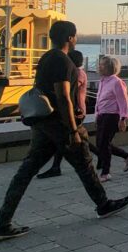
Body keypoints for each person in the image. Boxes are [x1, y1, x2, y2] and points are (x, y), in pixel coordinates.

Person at [0, 21, 128, 241]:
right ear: (70, 38)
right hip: (60, 124)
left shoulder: (46, 58)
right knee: (84, 164)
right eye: (75, 36)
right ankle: (103, 204)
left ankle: (1, 223)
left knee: (26, 171)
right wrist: (73, 128)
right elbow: (63, 97)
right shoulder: (62, 61)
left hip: (43, 124)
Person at [36, 50, 99, 179]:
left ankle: (101, 157)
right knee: (72, 139)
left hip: (76, 110)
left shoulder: (78, 73)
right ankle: (57, 166)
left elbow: (68, 92)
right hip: (73, 109)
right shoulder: (74, 72)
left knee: (73, 139)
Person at [94, 56, 128, 183]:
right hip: (102, 115)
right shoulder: (103, 81)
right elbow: (100, 100)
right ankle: (127, 156)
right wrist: (97, 115)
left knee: (103, 144)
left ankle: (106, 172)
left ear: (111, 68)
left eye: (103, 65)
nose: (100, 67)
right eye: (100, 64)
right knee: (101, 143)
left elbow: (123, 101)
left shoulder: (116, 82)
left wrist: (123, 118)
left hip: (112, 116)